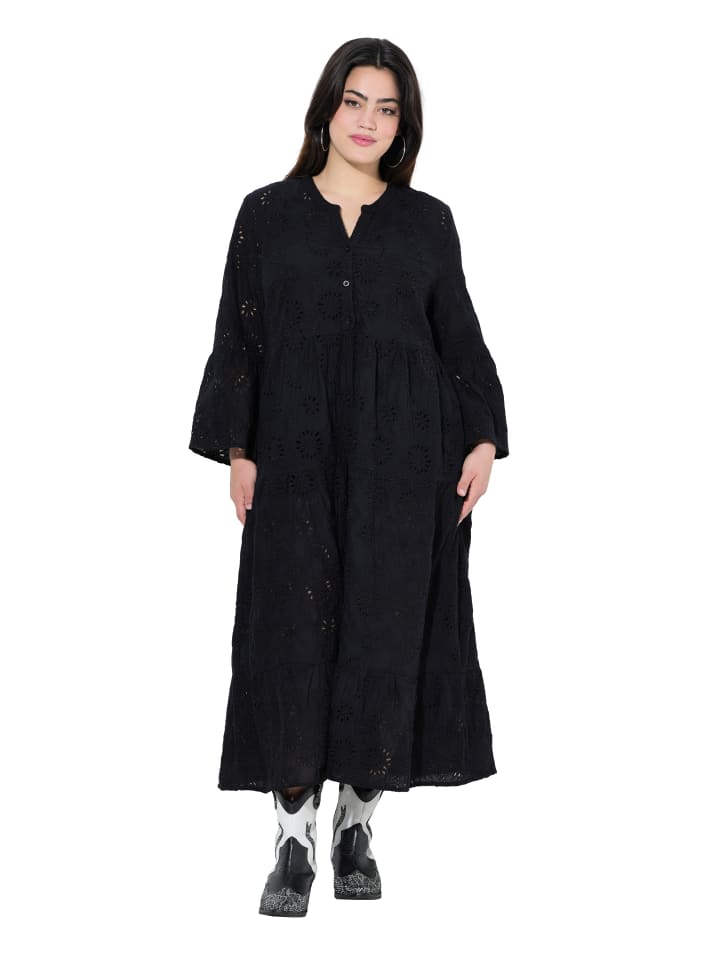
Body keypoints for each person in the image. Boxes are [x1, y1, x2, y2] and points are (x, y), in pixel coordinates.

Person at [188, 37, 510, 917]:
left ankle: (356, 827)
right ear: (326, 108)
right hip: (293, 459)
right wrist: (239, 451)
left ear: (404, 125)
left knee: (383, 636)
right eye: (355, 101)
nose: (369, 121)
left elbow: (460, 338)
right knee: (289, 637)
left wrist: (483, 439)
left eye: (388, 108)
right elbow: (240, 337)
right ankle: (291, 838)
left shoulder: (427, 222)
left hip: (408, 464)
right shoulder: (266, 214)